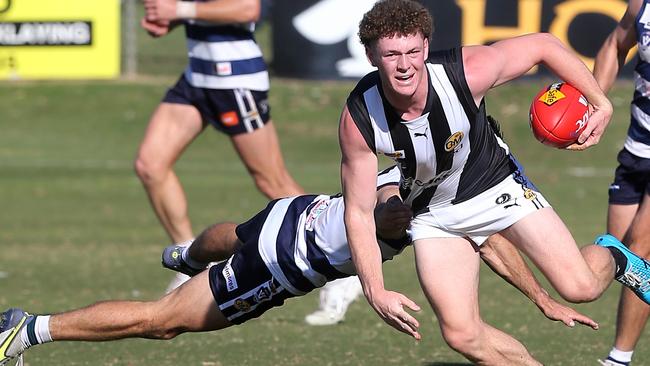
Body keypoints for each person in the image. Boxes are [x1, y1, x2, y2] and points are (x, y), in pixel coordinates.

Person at [0, 167, 597, 365]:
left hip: (293, 214)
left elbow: (490, 242)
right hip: (282, 264)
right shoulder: (423, 199)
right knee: (163, 321)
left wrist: (541, 297)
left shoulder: (415, 169)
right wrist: (394, 235)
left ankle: (186, 253)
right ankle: (28, 329)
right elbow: (404, 217)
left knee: (232, 233)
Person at [338, 1, 650, 364]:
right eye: (391, 54)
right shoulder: (359, 117)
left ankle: (616, 256)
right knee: (461, 334)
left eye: (412, 51)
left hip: (495, 185)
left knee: (579, 288)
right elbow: (359, 213)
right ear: (371, 55)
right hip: (433, 213)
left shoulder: (466, 72)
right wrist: (375, 291)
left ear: (426, 46)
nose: (404, 65)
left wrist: (600, 102)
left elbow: (544, 45)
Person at [136, 0, 304, 290]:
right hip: (198, 78)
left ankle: (335, 250)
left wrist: (179, 11)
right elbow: (200, 11)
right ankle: (191, 262)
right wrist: (170, 20)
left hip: (235, 80)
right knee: (150, 165)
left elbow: (248, 9)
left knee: (271, 181)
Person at [593, 1, 650, 365]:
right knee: (624, 261)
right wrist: (593, 101)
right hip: (637, 149)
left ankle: (618, 359)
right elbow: (616, 43)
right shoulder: (641, 5)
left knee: (639, 249)